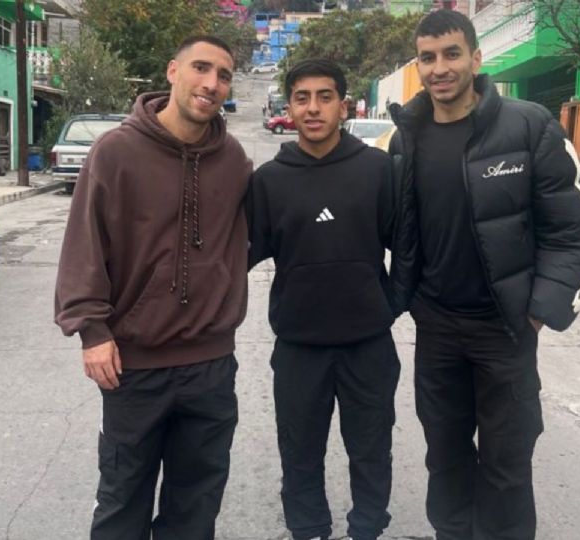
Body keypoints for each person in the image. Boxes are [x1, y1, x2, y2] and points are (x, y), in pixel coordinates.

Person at [387, 10, 580, 540]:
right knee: (445, 458)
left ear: (476, 59)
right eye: (428, 58)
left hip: (505, 330)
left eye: (451, 54)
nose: (439, 68)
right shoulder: (405, 139)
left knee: (507, 466)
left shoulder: (529, 126)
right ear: (418, 66)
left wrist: (539, 312)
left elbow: (575, 232)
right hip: (437, 330)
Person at [54, 35, 251, 540]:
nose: (211, 83)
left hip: (210, 367)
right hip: (133, 368)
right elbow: (85, 242)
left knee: (195, 508)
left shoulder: (233, 160)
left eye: (223, 75)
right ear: (172, 71)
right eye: (201, 68)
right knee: (122, 503)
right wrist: (92, 330)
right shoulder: (115, 152)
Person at [247, 58, 401, 540]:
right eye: (302, 98)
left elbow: (409, 250)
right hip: (299, 347)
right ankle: (308, 528)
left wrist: (388, 305)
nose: (313, 108)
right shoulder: (269, 180)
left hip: (368, 346)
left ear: (343, 106)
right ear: (290, 108)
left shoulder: (378, 170)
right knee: (299, 453)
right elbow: (238, 256)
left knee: (371, 451)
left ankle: (367, 528)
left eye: (324, 97)